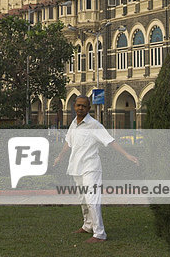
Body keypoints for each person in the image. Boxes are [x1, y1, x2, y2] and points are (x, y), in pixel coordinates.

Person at [54, 95, 139, 244]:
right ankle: (88, 226)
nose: (80, 108)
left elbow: (110, 141)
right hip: (76, 166)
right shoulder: (73, 123)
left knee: (92, 199)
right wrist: (60, 157)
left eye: (84, 106)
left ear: (88, 108)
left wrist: (127, 155)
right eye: (78, 105)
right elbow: (68, 142)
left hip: (91, 167)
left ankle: (99, 233)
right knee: (83, 199)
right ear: (74, 106)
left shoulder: (94, 125)